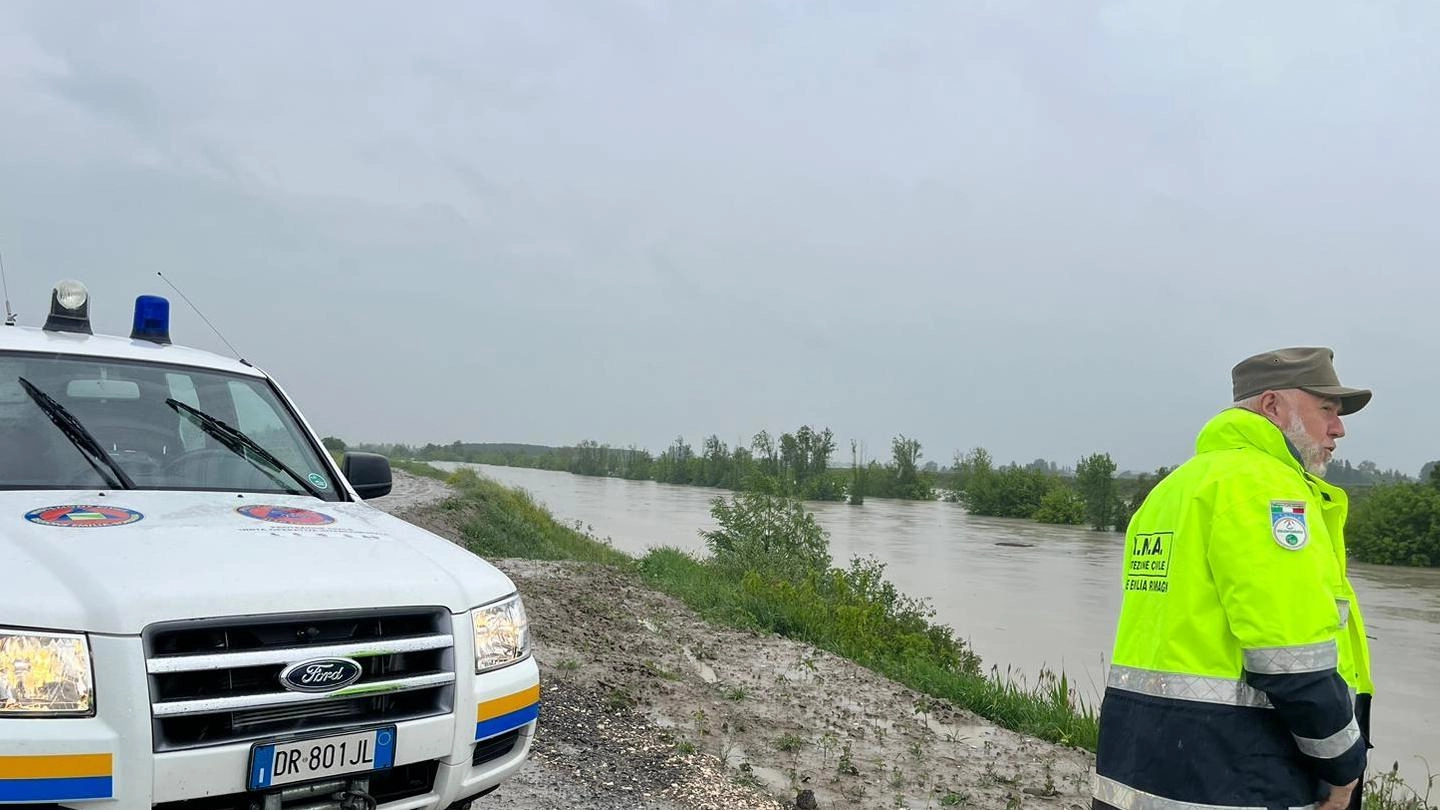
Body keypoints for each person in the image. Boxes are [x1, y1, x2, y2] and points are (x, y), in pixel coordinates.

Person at [1092, 346, 1374, 810]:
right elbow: (1294, 663)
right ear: (1271, 406)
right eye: (1326, 408)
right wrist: (1344, 768)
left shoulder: (1172, 490)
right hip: (1238, 776)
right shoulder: (1269, 492)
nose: (1338, 428)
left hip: (1137, 769)